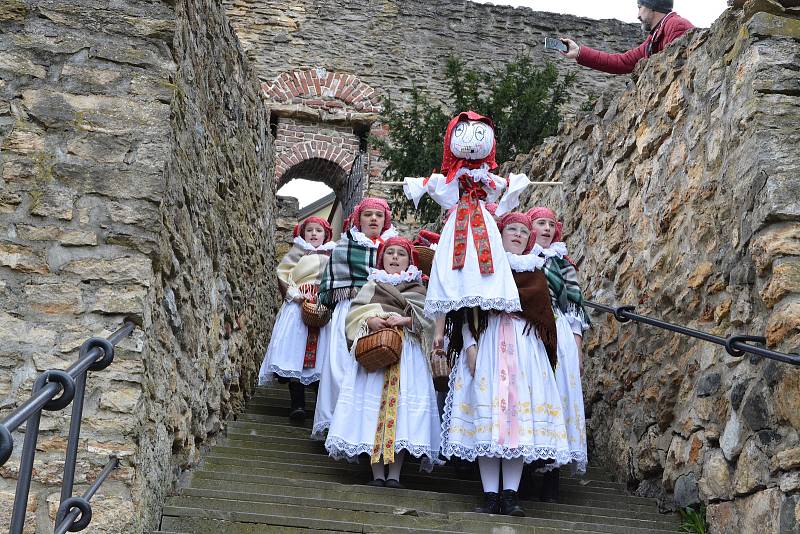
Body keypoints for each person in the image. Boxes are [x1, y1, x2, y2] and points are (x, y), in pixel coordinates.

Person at [440, 212, 571, 516]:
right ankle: (489, 495)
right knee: (488, 422)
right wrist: (469, 345)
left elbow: (543, 316)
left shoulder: (535, 270)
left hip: (524, 350)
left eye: (523, 231)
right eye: (511, 229)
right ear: (499, 234)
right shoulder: (484, 269)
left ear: (529, 239)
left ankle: (510, 495)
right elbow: (465, 307)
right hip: (487, 347)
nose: (517, 234)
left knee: (516, 425)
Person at [403, 111, 531, 349]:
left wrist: (514, 184)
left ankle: (485, 322)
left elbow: (503, 185)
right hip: (459, 225)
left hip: (483, 223)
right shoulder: (453, 178)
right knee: (450, 269)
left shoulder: (486, 177)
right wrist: (421, 183)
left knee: (484, 268)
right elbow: (435, 185)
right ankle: (449, 330)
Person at [325, 237, 440, 488]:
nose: (395, 257)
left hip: (407, 354)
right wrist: (370, 321)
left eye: (401, 254)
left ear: (410, 261)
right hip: (374, 352)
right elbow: (354, 315)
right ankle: (377, 474)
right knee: (373, 410)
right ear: (382, 259)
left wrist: (406, 321)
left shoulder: (419, 289)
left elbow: (429, 321)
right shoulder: (371, 285)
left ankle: (395, 475)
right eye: (390, 253)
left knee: (401, 413)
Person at [311, 198, 398, 439]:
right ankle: (334, 425)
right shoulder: (345, 245)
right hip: (349, 310)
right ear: (358, 219)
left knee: (373, 370)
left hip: (382, 308)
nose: (373, 219)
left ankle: (366, 429)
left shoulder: (393, 246)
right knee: (340, 367)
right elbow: (331, 282)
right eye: (368, 214)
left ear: (385, 220)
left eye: (378, 215)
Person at [527, 207, 591, 503]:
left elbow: (575, 308)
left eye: (551, 224)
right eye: (541, 222)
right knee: (532, 398)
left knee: (560, 396)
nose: (547, 228)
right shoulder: (521, 259)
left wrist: (577, 349)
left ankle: (552, 480)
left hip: (559, 332)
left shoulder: (564, 263)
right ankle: (525, 471)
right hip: (528, 331)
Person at [258, 216, 336, 422]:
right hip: (298, 308)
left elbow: (338, 279)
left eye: (318, 230)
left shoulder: (333, 254)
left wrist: (327, 297)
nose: (313, 234)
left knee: (323, 356)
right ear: (303, 234)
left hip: (323, 308)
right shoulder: (297, 252)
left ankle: (323, 408)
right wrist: (296, 295)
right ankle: (297, 404)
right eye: (309, 230)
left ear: (326, 234)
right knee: (296, 354)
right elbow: (283, 274)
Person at [560, 1, 694, 75]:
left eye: (640, 7)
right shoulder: (652, 40)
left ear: (652, 7)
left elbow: (685, 69)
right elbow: (622, 62)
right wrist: (579, 52)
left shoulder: (677, 25)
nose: (637, 15)